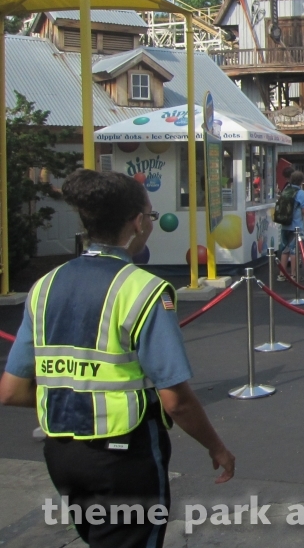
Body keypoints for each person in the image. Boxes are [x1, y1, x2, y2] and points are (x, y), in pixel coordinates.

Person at [0, 170, 235, 548]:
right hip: (125, 456)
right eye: (151, 216)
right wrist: (216, 447)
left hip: (62, 455)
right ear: (138, 222)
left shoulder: (44, 286)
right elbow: (176, 400)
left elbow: (11, 390)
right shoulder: (144, 290)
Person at [280, 170, 304, 282]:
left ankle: (282, 274)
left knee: (285, 250)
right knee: (295, 251)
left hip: (284, 225)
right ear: (301, 181)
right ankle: (294, 274)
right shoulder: (300, 193)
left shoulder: (286, 190)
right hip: (296, 227)